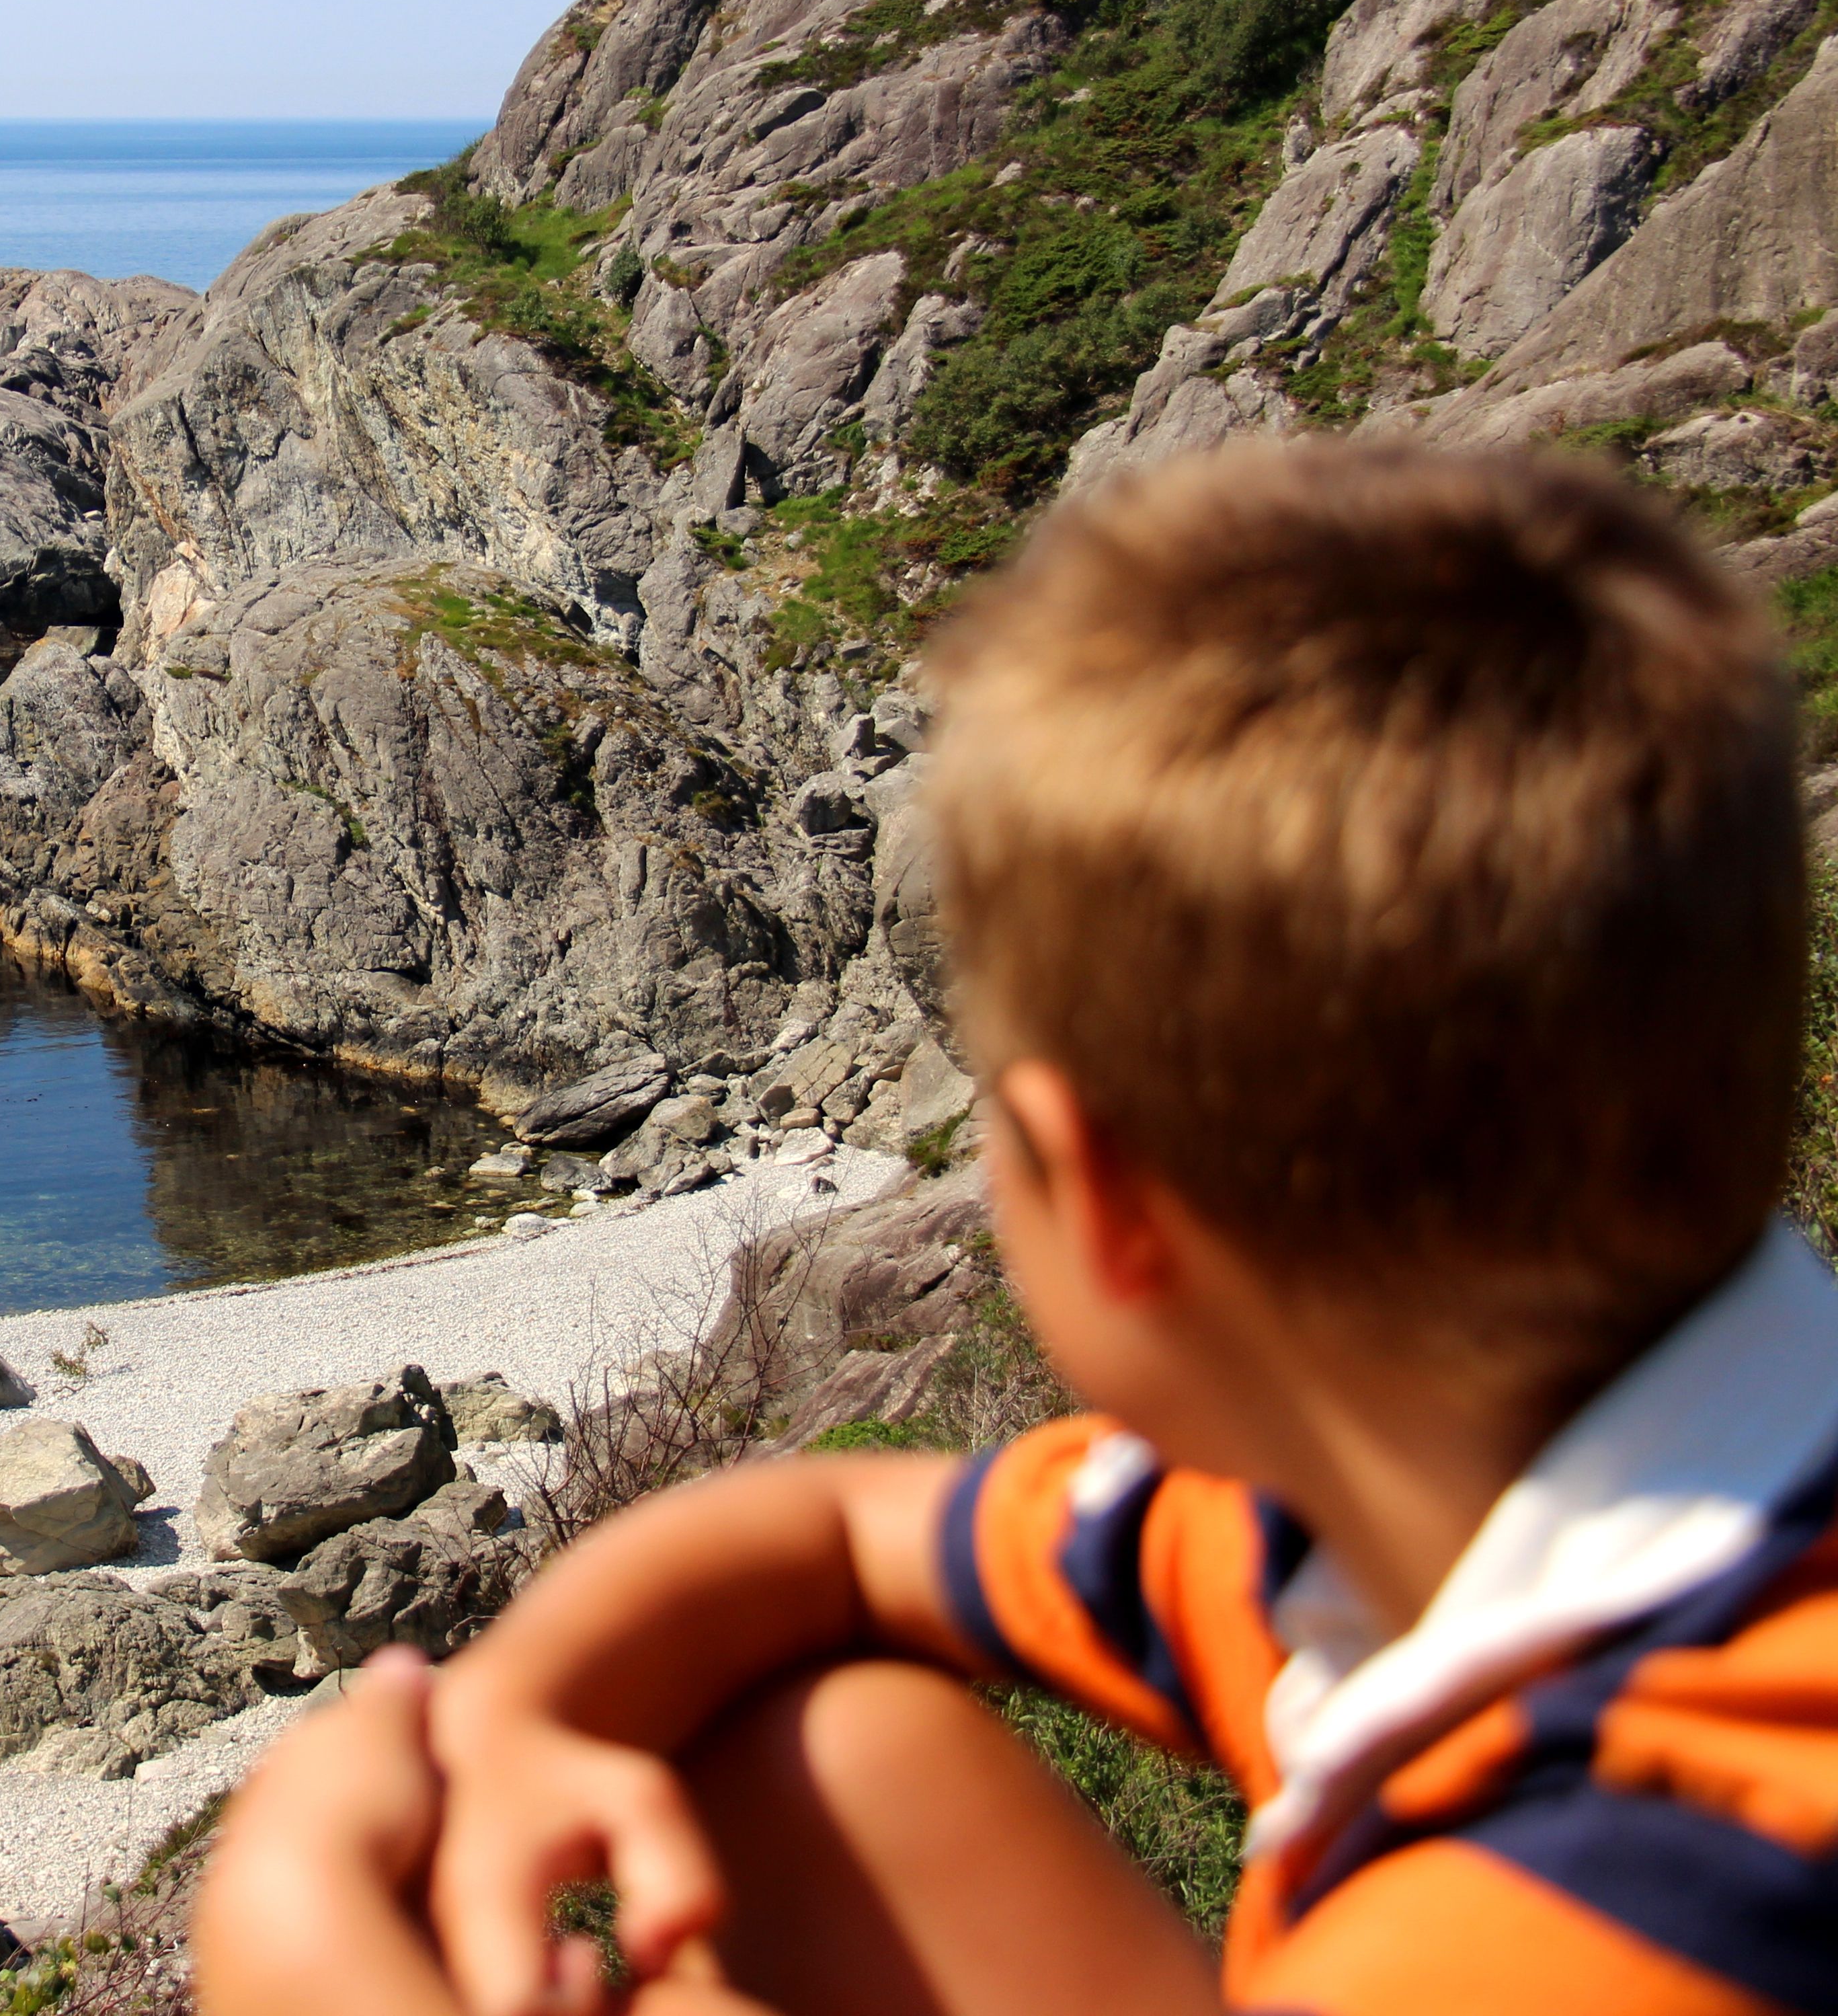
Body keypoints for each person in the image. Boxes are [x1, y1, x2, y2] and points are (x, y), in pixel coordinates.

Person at [192, 441, 1838, 2015]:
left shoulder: (1622, 1925)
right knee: (821, 1752)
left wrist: (297, 1947)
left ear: (1102, 1202)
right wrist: (517, 1720)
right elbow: (839, 1541)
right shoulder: (1384, 1483)